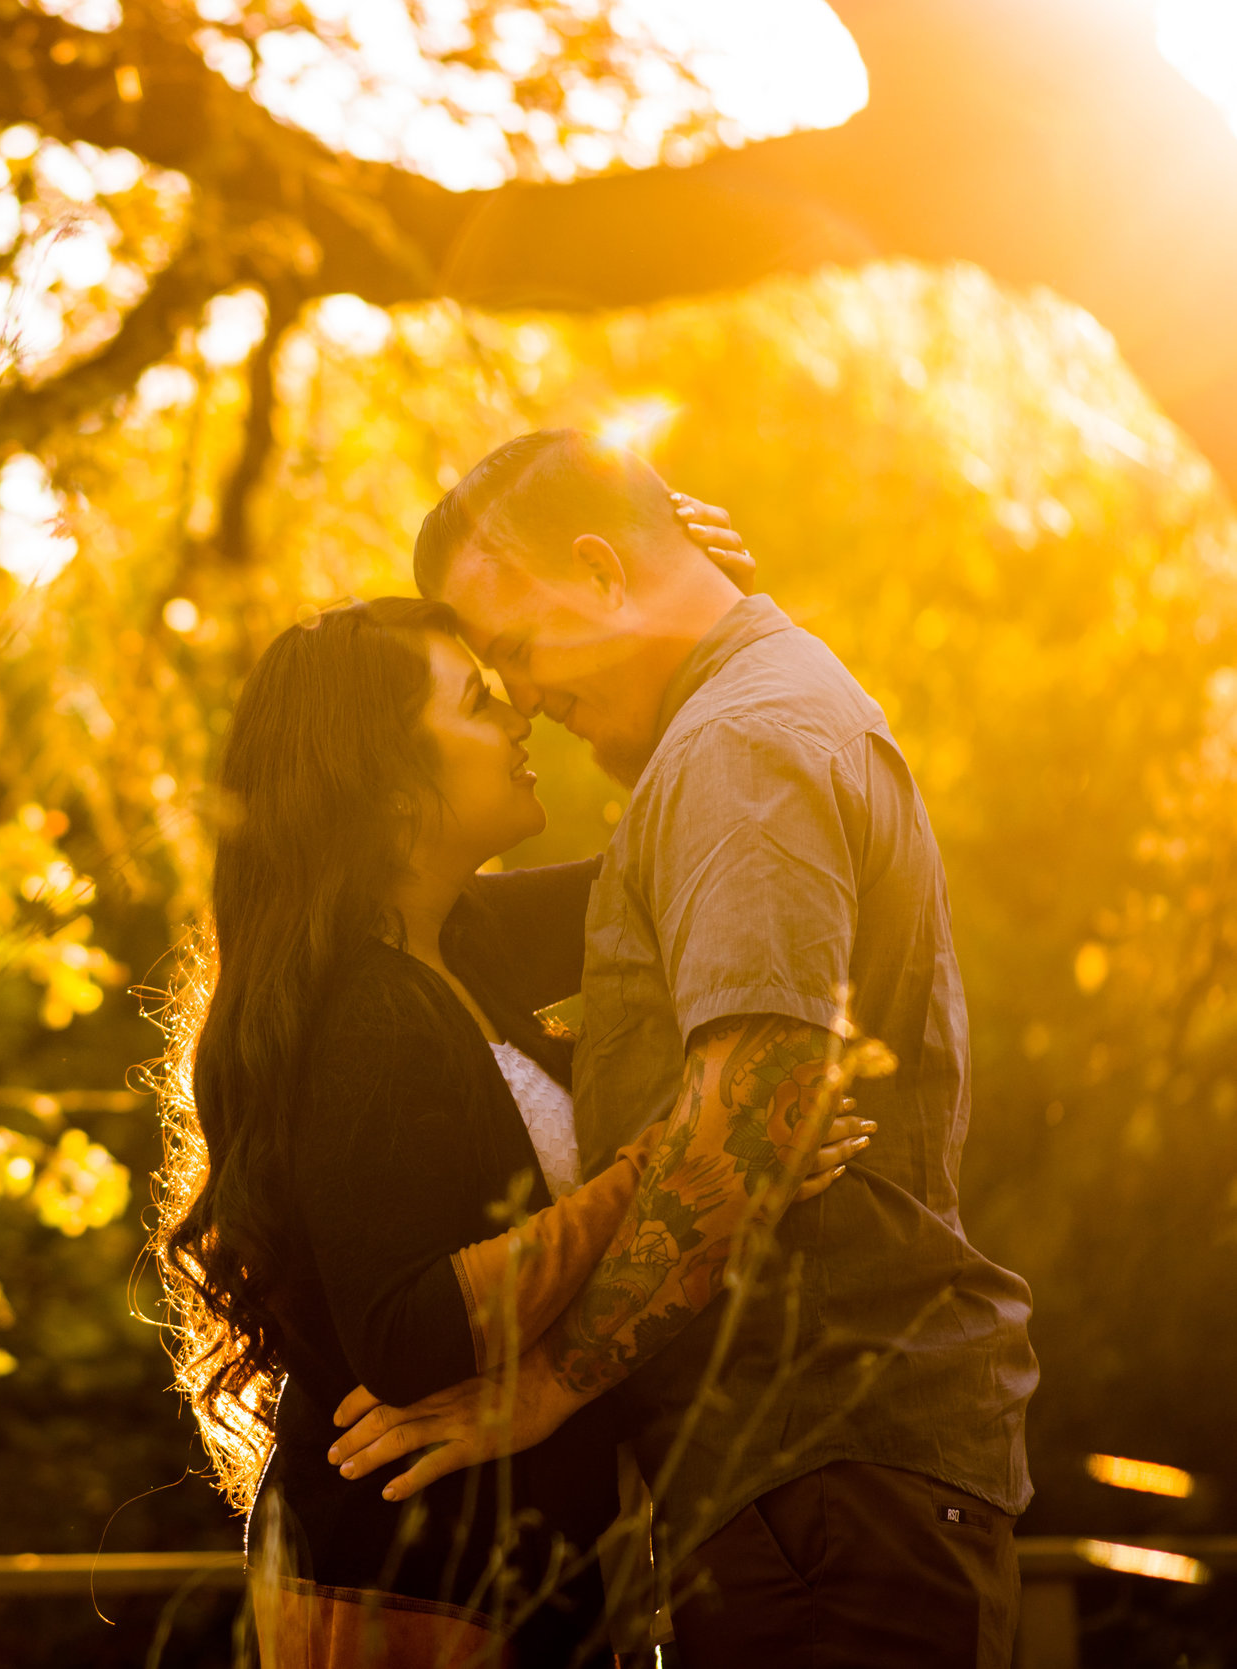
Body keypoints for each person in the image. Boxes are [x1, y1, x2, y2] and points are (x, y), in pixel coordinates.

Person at [328, 431, 1039, 1666]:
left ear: (603, 572)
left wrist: (546, 1381)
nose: (522, 698)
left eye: (513, 650)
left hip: (821, 1481)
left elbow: (749, 1114)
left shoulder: (738, 750)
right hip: (803, 1488)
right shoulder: (743, 730)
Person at [157, 569, 872, 1663]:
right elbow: (407, 1334)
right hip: (402, 1592)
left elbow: (687, 844)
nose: (520, 712)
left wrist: (706, 598)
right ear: (389, 781)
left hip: (526, 1578)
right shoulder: (367, 1016)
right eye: (478, 700)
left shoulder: (463, 941)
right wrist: (683, 1154)